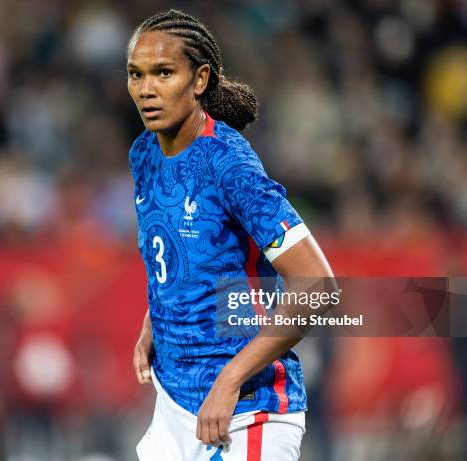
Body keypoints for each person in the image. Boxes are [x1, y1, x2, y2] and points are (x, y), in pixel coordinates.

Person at [127, 9, 333, 461]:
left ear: (199, 79)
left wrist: (230, 379)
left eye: (164, 72)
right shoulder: (144, 153)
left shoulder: (230, 166)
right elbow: (188, 253)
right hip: (176, 408)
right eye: (136, 74)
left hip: (244, 413)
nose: (146, 89)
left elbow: (318, 288)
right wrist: (155, 319)